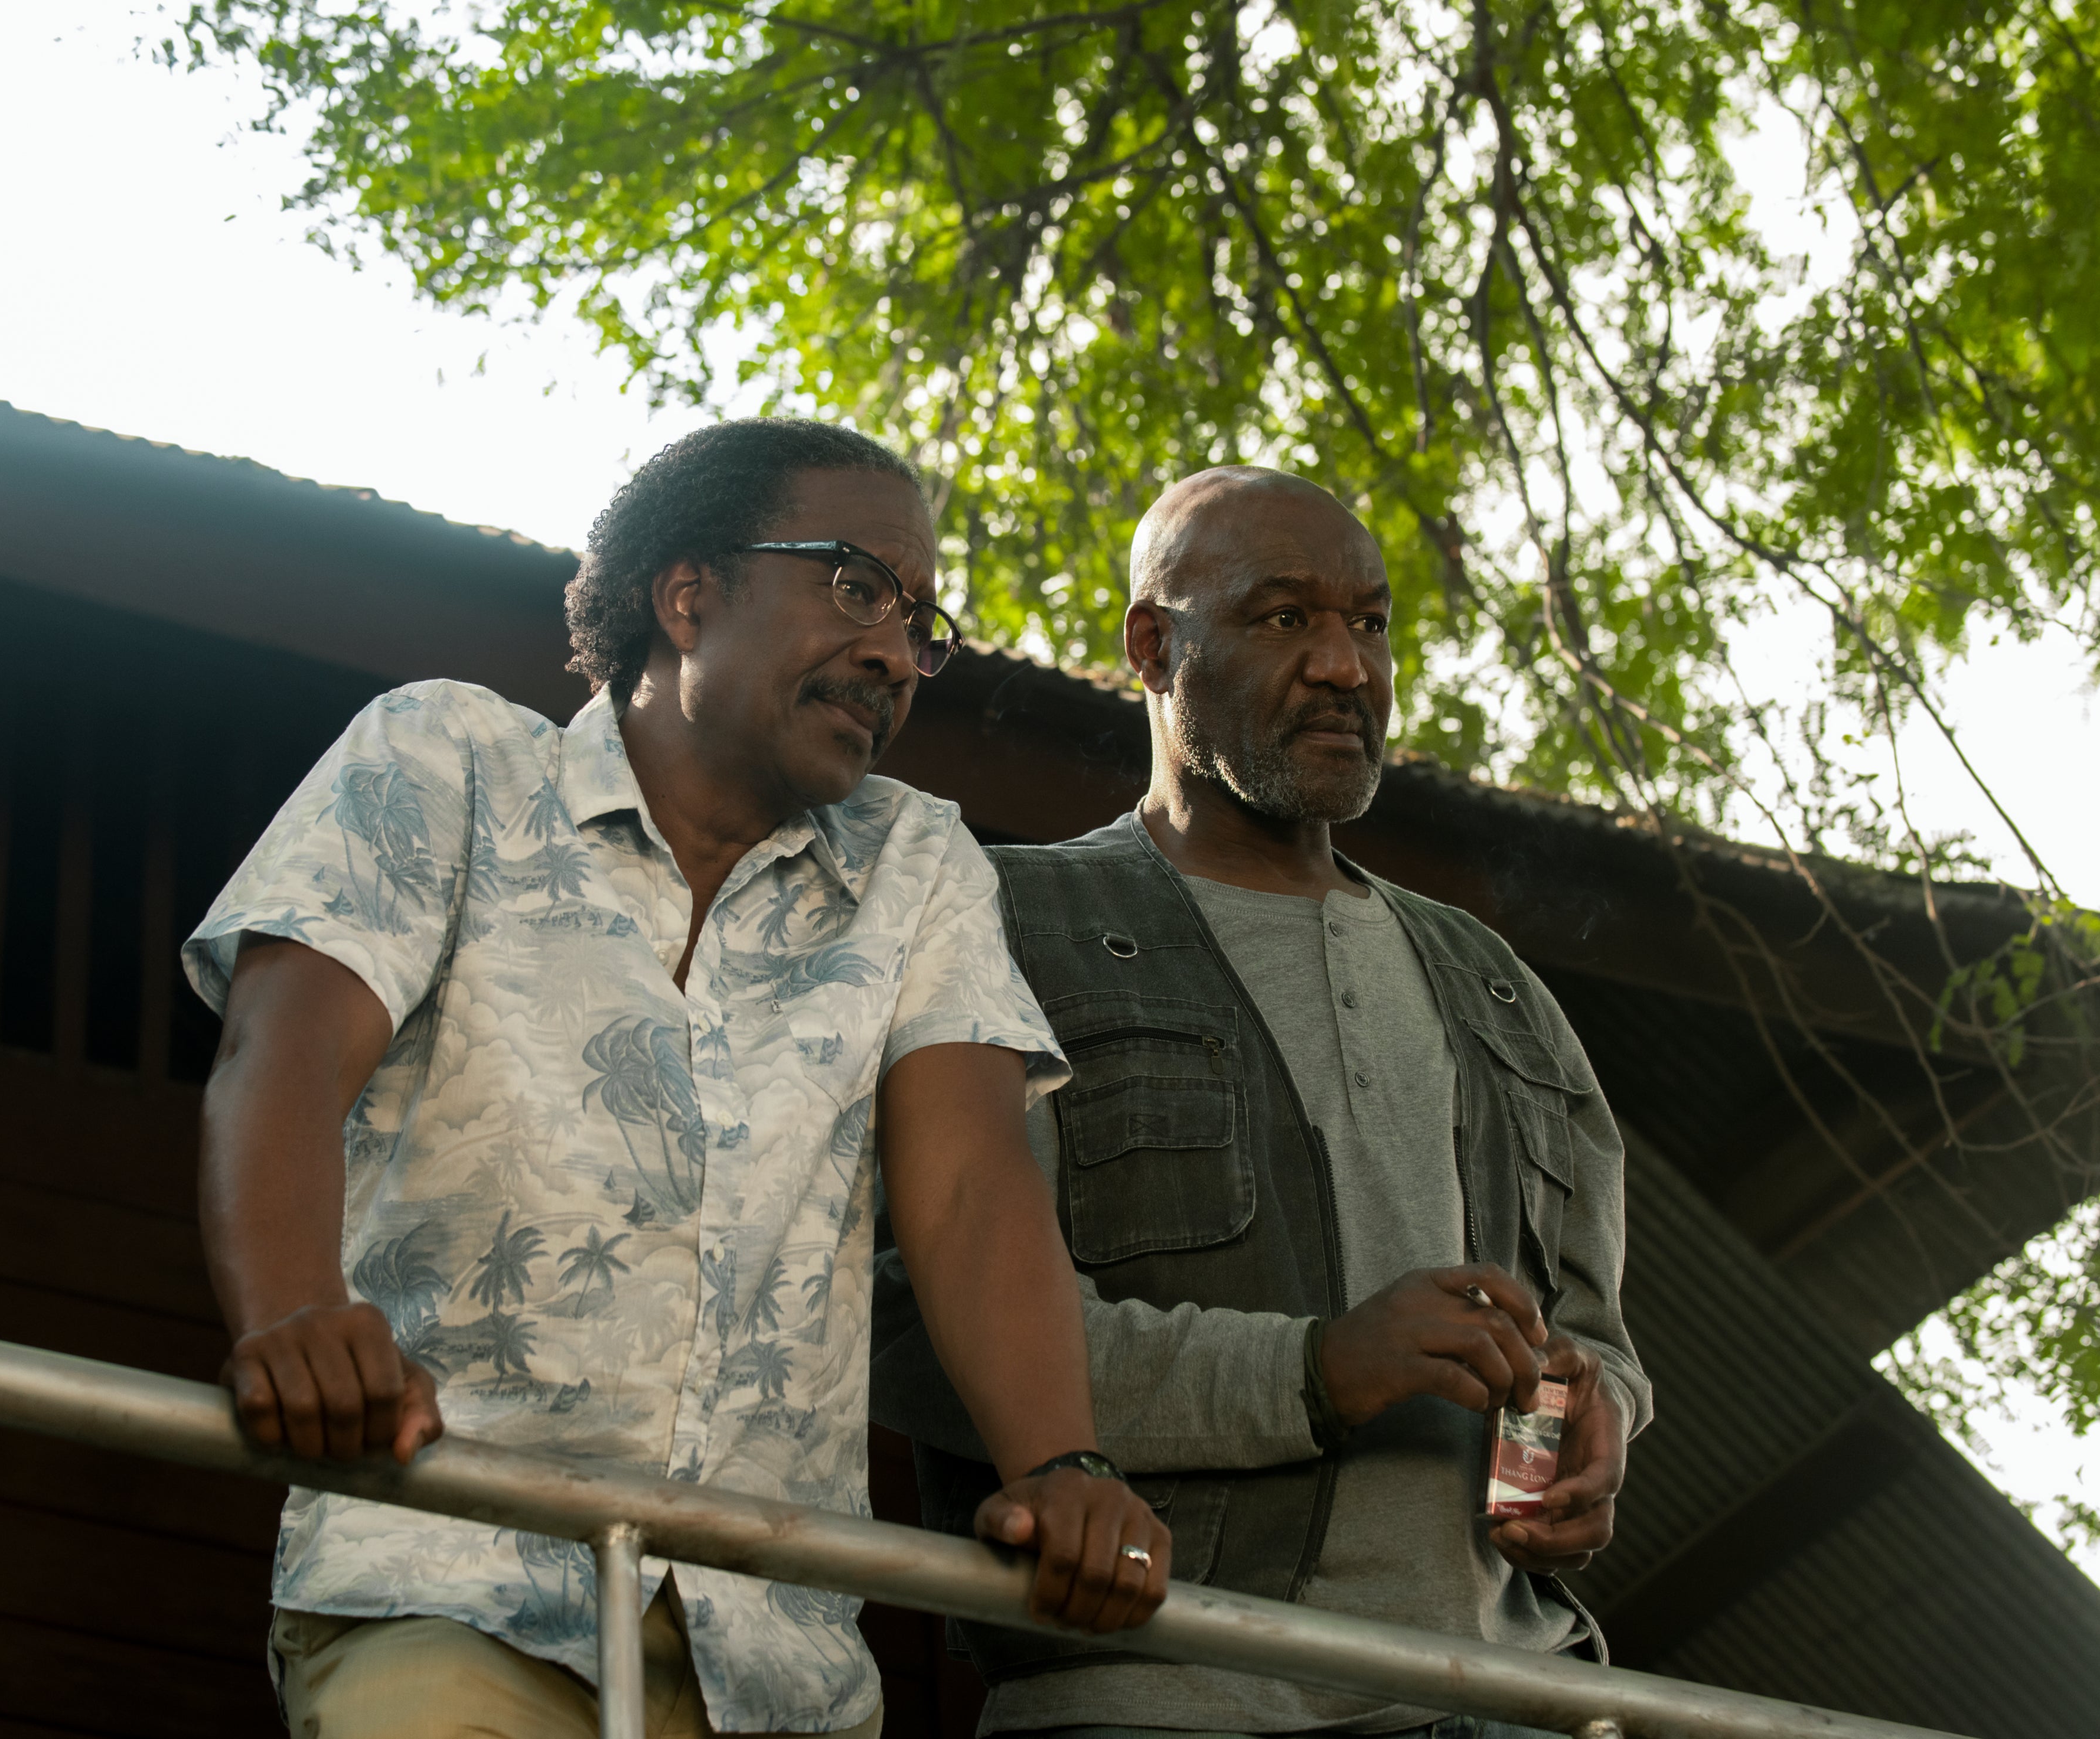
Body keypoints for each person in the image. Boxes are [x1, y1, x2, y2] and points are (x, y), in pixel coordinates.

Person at [184, 419, 1169, 1739]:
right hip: (449, 1580)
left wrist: (1061, 1462)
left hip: (772, 1669)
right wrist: (292, 1310)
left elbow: (972, 1191)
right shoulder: (448, 762)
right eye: (855, 585)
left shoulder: (915, 863)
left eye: (918, 623)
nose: (892, 650)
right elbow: (284, 1052)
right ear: (688, 593)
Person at [871, 466, 1652, 1738]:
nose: (1345, 665)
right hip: (1162, 1686)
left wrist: (1595, 1423)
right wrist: (1318, 1368)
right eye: (1283, 618)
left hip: (1515, 1694)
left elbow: (1596, 1337)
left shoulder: (1493, 984)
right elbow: (916, 1322)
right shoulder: (1000, 923)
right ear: (1151, 646)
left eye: (1371, 621)